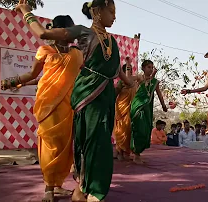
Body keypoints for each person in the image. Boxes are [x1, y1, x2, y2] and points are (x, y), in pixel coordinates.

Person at [14, 0, 135, 201]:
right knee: (88, 140)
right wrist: (26, 11)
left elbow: (120, 74)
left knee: (102, 142)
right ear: (97, 11)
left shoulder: (112, 41)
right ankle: (82, 188)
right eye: (111, 11)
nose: (114, 16)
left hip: (105, 96)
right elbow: (43, 34)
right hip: (87, 96)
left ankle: (91, 188)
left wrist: (129, 81)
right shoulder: (83, 33)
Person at [1, 15, 83, 202]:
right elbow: (34, 74)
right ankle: (48, 188)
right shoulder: (44, 51)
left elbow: (78, 77)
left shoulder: (77, 55)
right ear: (58, 32)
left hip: (69, 106)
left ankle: (58, 185)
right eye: (68, 30)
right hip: (48, 105)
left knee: (64, 147)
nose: (72, 34)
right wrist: (14, 81)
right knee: (50, 145)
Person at [113, 58, 156, 161]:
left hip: (132, 107)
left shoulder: (136, 80)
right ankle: (119, 150)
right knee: (121, 130)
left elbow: (148, 81)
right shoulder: (122, 82)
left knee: (129, 129)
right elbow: (116, 93)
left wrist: (153, 74)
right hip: (121, 108)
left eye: (131, 69)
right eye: (128, 69)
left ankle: (126, 151)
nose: (130, 70)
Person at [130, 59, 168, 164]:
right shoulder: (140, 78)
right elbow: (128, 79)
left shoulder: (155, 82)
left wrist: (164, 106)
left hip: (147, 109)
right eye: (148, 67)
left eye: (152, 67)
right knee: (139, 129)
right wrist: (128, 67)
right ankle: (136, 154)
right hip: (137, 107)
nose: (151, 69)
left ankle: (137, 152)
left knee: (146, 131)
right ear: (143, 68)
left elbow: (159, 94)